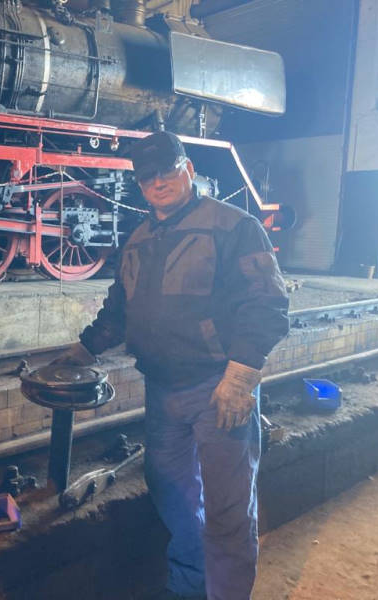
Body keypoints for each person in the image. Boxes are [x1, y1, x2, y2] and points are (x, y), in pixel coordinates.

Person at [57, 131, 289, 600]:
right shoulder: (140, 237)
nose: (157, 182)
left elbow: (267, 305)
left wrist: (240, 377)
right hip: (163, 389)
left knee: (227, 506)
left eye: (167, 171)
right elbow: (119, 310)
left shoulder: (234, 226)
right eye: (147, 177)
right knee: (172, 492)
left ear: (188, 170)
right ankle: (189, 586)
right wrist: (84, 350)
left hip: (218, 387)